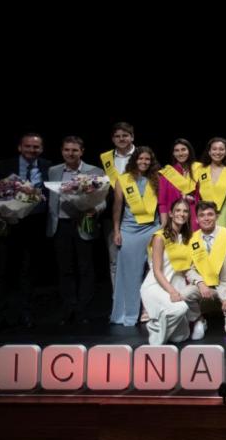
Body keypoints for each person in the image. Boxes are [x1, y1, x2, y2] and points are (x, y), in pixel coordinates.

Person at [46, 136, 105, 325]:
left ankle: (82, 310)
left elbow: (103, 198)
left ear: (82, 151)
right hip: (61, 225)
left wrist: (94, 209)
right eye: (67, 150)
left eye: (74, 150)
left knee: (85, 268)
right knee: (65, 269)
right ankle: (68, 308)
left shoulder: (95, 171)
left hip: (83, 223)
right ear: (62, 151)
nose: (70, 153)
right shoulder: (53, 171)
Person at [0, 133, 51, 329]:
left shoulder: (48, 167)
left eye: (36, 147)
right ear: (20, 147)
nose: (32, 150)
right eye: (28, 146)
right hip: (7, 224)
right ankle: (1, 313)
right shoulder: (3, 166)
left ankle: (25, 313)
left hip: (35, 224)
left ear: (41, 149)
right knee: (3, 270)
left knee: (28, 271)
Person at [110, 147, 161, 326]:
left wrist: (163, 230)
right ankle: (127, 312)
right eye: (140, 159)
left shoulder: (157, 179)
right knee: (129, 273)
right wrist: (116, 231)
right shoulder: (123, 180)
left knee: (154, 271)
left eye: (147, 159)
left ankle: (150, 311)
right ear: (134, 160)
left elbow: (162, 206)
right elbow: (117, 207)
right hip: (129, 230)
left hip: (152, 228)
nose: (144, 162)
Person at [139, 199, 199, 345]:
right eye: (178, 210)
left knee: (181, 337)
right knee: (180, 308)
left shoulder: (186, 238)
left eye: (185, 211)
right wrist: (172, 292)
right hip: (157, 285)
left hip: (176, 283)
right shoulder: (160, 237)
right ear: (171, 214)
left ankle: (160, 324)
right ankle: (155, 332)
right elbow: (157, 271)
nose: (182, 214)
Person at [184, 200, 226, 338]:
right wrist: (199, 282)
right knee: (184, 295)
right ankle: (199, 319)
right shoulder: (191, 239)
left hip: (225, 285)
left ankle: (225, 309)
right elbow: (188, 268)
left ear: (216, 216)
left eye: (210, 214)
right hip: (204, 286)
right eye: (202, 215)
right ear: (196, 219)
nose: (206, 218)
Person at [100, 122, 136, 290]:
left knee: (140, 259)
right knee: (114, 259)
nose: (121, 139)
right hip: (112, 213)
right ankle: (118, 299)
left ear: (132, 137)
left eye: (125, 135)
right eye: (117, 136)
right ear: (113, 139)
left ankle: (141, 302)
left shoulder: (142, 155)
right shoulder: (105, 158)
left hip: (138, 212)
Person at [194, 137, 226, 233]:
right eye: (214, 149)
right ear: (209, 152)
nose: (217, 152)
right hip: (208, 214)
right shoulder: (200, 170)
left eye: (221, 149)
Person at [158, 138, 198, 230]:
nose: (180, 153)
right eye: (177, 151)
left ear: (189, 151)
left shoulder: (198, 170)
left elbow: (202, 196)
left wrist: (193, 199)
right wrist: (164, 223)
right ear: (173, 153)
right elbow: (162, 203)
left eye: (183, 149)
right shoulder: (167, 173)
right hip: (173, 219)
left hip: (193, 217)